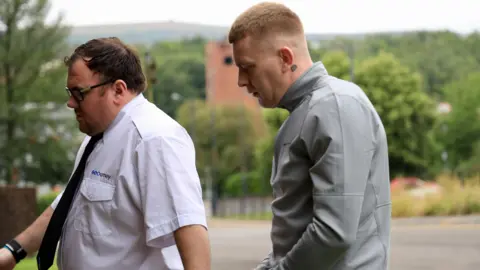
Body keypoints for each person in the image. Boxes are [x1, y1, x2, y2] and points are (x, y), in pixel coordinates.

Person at [0, 37, 210, 270]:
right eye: (69, 92)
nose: (70, 103)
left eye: (79, 92)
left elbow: (188, 227)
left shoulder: (154, 139)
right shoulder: (97, 137)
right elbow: (67, 206)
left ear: (118, 90)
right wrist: (13, 251)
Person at [228, 2, 392, 270]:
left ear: (285, 58)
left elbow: (333, 233)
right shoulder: (305, 113)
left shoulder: (335, 106)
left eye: (247, 67)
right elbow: (293, 231)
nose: (241, 81)